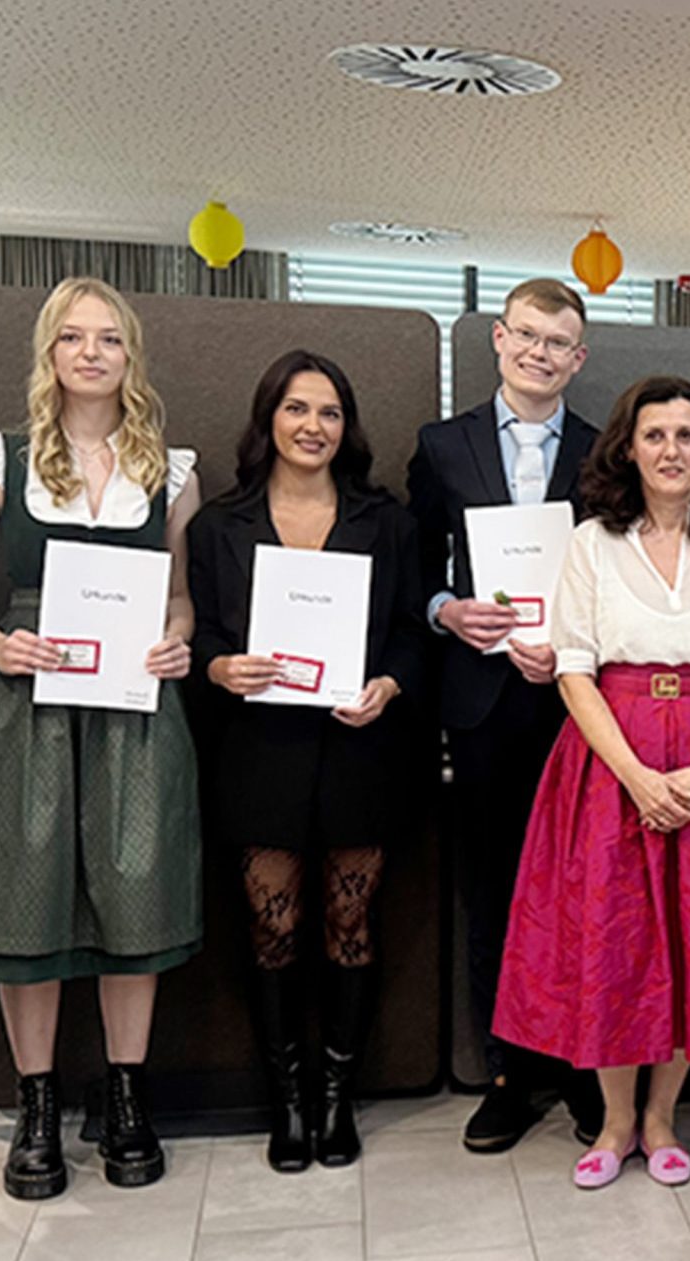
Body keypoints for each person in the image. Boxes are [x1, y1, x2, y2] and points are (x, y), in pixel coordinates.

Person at [494, 376, 690, 1189]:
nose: (670, 450)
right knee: (615, 941)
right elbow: (574, 672)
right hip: (608, 765)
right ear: (629, 449)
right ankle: (616, 1121)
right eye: (654, 435)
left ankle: (663, 1118)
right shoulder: (593, 543)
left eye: (686, 435)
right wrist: (634, 776)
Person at [0, 277, 205, 1200]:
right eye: (72, 337)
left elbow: (178, 595)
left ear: (131, 354)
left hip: (134, 705)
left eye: (108, 338)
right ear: (48, 352)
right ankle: (36, 1103)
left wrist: (178, 640)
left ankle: (127, 1095)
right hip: (28, 702)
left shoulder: (170, 469)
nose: (91, 353)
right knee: (26, 898)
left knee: (136, 895)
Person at [189, 350, 428, 1173]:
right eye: (297, 408)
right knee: (273, 929)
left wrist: (389, 684)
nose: (313, 426)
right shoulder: (218, 525)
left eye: (329, 412)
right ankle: (287, 1101)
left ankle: (336, 1096)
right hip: (259, 751)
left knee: (350, 926)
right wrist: (220, 668)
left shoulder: (387, 521)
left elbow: (411, 630)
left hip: (360, 745)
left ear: (346, 426)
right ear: (269, 418)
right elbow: (199, 635)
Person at [405, 277, 605, 1153]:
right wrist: (445, 609)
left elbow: (616, 571)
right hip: (480, 701)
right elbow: (413, 563)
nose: (538, 353)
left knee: (581, 889)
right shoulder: (440, 446)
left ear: (578, 357)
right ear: (497, 337)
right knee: (491, 891)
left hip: (576, 704)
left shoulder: (603, 451)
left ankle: (585, 1069)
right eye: (526, 335)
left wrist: (571, 644)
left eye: (556, 342)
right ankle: (507, 1073)